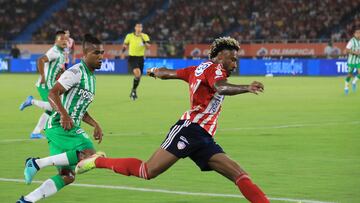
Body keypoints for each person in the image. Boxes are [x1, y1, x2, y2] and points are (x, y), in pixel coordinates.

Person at [76, 37, 270, 203]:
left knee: (240, 175)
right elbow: (221, 87)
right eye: (232, 59)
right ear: (220, 57)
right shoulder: (215, 69)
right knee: (147, 171)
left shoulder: (196, 69)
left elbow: (168, 73)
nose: (235, 64)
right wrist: (246, 87)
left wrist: (153, 72)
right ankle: (97, 161)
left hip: (203, 137)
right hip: (189, 130)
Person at [16, 34, 105, 203]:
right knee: (90, 154)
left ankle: (27, 200)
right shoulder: (76, 72)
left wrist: (95, 124)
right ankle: (36, 163)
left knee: (67, 175)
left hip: (64, 126)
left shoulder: (91, 78)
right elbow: (52, 93)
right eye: (96, 53)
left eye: (102, 53)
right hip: (60, 125)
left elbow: (80, 110)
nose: (100, 57)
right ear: (84, 54)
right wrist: (64, 114)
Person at [19, 31, 67, 139]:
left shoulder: (61, 53)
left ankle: (35, 132)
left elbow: (57, 69)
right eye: (62, 39)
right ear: (56, 41)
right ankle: (31, 101)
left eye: (65, 39)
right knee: (54, 107)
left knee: (50, 110)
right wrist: (43, 76)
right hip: (45, 84)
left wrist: (62, 74)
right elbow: (40, 60)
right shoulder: (54, 51)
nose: (64, 41)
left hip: (52, 84)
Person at [120, 23, 150, 100]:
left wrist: (143, 40)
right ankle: (133, 91)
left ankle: (134, 90)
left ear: (142, 28)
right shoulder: (129, 36)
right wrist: (122, 53)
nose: (139, 28)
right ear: (135, 28)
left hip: (141, 58)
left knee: (138, 77)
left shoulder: (145, 36)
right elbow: (125, 45)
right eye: (138, 27)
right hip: (132, 57)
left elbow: (148, 47)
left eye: (140, 27)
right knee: (137, 73)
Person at [344, 28, 360, 95]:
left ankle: (354, 82)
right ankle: (346, 86)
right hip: (351, 61)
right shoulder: (351, 41)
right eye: (357, 33)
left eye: (359, 33)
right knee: (349, 75)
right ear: (354, 34)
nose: (358, 34)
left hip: (358, 60)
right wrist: (354, 52)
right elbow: (346, 50)